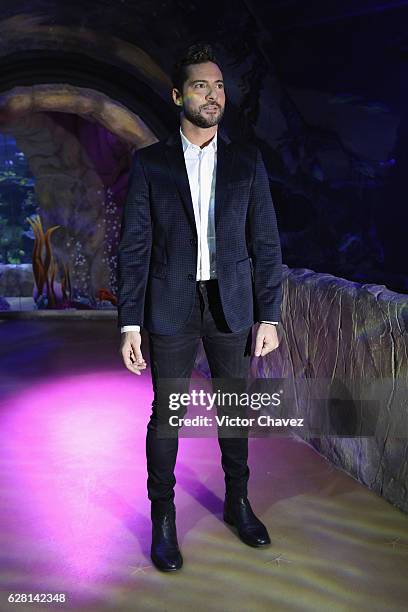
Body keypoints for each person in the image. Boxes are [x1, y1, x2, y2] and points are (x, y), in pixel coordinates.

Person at [117, 42, 282, 572]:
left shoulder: (246, 162)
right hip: (169, 306)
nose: (212, 95)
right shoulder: (151, 164)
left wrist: (270, 315)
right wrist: (130, 323)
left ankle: (239, 503)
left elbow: (267, 243)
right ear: (177, 95)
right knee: (168, 415)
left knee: (234, 411)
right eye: (199, 86)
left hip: (231, 304)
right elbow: (135, 247)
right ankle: (162, 520)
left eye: (218, 86)